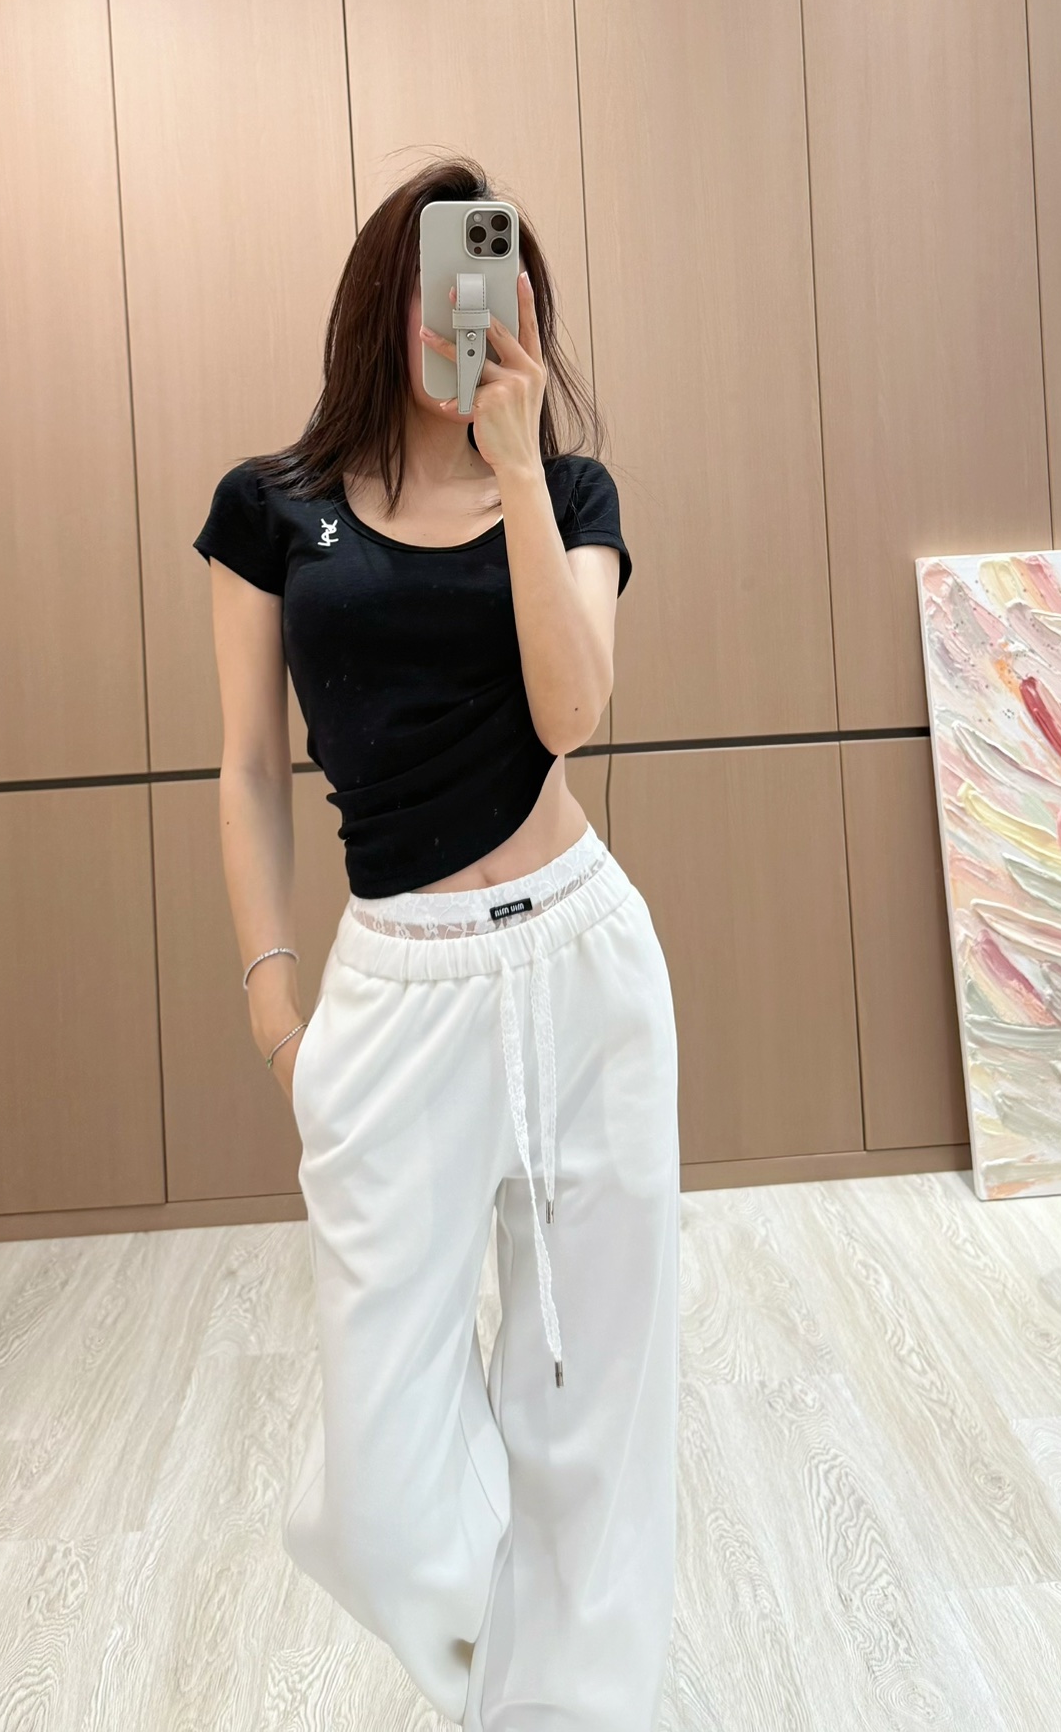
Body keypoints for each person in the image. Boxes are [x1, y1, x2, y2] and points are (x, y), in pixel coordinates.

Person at [192, 157, 680, 1730]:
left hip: (583, 968)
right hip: (395, 986)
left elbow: (572, 713)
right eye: (437, 278)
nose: (462, 310)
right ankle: (511, 1677)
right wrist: (278, 1016)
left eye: (494, 275)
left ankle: (565, 1714)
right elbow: (249, 770)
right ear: (379, 299)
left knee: (593, 1410)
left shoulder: (573, 496)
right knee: (381, 1492)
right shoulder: (272, 510)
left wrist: (516, 464)